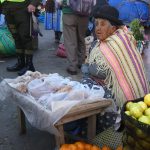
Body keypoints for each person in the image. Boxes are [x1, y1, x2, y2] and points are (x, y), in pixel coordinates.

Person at [83, 5, 150, 109]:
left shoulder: (118, 44)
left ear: (113, 28)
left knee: (88, 92)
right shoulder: (101, 43)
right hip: (106, 86)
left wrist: (88, 68)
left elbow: (101, 72)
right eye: (96, 24)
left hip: (124, 99)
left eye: (103, 24)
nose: (98, 28)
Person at [0, 0, 40, 75]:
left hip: (22, 8)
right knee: (16, 37)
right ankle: (21, 63)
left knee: (25, 37)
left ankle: (29, 66)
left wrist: (33, 4)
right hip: (7, 8)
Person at [62, 0, 89, 75]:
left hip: (69, 12)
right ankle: (81, 63)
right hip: (84, 12)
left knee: (70, 41)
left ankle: (72, 67)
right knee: (81, 38)